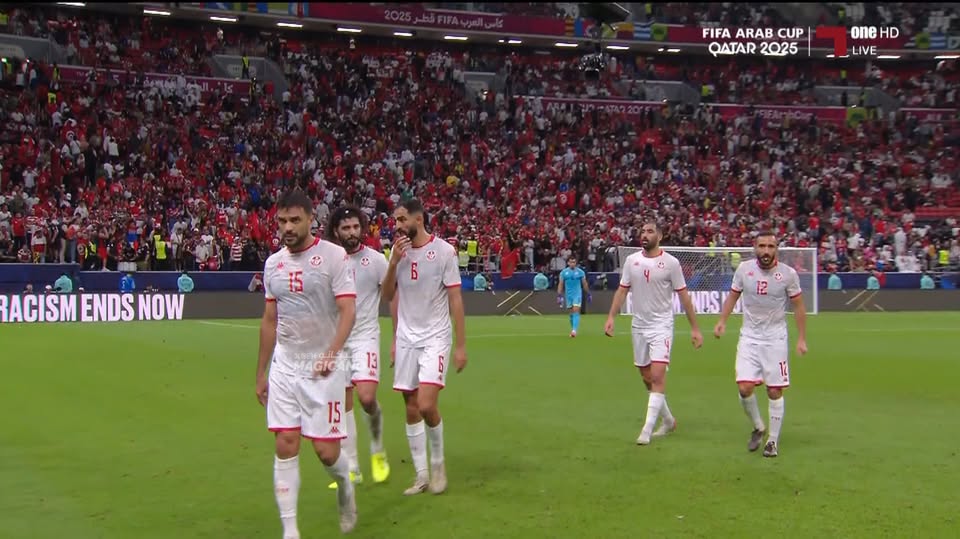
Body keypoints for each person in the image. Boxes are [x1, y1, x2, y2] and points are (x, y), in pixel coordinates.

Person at [255, 190, 359, 536]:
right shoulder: (273, 264)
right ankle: (290, 531)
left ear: (311, 219)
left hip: (322, 367)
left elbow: (348, 310)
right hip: (285, 365)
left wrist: (332, 352)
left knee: (327, 453)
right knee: (285, 442)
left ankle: (345, 485)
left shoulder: (333, 257)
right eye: (282, 221)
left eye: (295, 220)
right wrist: (261, 373)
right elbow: (270, 320)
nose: (287, 227)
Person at [381, 198, 467, 496]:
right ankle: (421, 475)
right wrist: (393, 262)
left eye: (402, 219)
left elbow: (455, 299)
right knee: (410, 405)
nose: (397, 225)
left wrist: (460, 345)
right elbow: (387, 295)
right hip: (407, 338)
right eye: (395, 220)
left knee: (426, 404)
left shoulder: (444, 252)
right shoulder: (397, 253)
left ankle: (438, 465)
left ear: (418, 220)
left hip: (435, 337)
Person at [603, 221, 704, 445]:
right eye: (642, 231)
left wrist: (695, 328)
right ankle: (668, 420)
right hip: (639, 325)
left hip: (661, 326)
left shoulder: (671, 263)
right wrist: (611, 317)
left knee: (658, 376)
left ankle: (646, 430)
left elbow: (684, 297)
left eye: (650, 231)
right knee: (647, 378)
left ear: (660, 236)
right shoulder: (632, 261)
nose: (645, 235)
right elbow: (622, 291)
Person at [714, 231, 808, 458]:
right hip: (749, 337)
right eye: (762, 246)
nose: (766, 251)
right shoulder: (744, 270)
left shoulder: (788, 274)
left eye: (770, 246)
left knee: (774, 390)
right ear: (755, 248)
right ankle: (758, 427)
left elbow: (798, 306)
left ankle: (772, 441)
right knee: (744, 388)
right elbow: (733, 297)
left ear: (777, 249)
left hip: (775, 339)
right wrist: (722, 321)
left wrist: (801, 338)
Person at [325, 205, 391, 490]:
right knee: (343, 403)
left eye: (355, 227)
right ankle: (352, 467)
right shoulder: (328, 260)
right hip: (337, 340)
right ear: (336, 231)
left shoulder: (375, 260)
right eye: (346, 228)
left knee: (366, 397)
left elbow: (391, 295)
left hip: (365, 337)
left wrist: (398, 336)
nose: (352, 232)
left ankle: (377, 447)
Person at [557, 256, 589, 337]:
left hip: (577, 294)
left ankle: (574, 330)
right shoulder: (564, 273)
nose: (572, 264)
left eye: (574, 262)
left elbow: (584, 283)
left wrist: (588, 293)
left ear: (576, 263)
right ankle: (573, 329)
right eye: (571, 262)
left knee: (576, 310)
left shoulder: (580, 272)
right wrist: (559, 295)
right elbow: (561, 284)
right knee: (571, 313)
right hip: (568, 295)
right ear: (568, 263)